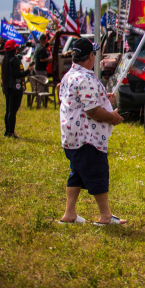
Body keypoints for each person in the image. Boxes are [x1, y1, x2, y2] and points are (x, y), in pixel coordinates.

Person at [58, 38, 125, 225]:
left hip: (72, 137)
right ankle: (105, 216)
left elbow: (81, 102)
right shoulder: (85, 78)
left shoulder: (69, 76)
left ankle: (69, 214)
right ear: (90, 56)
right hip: (87, 138)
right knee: (97, 173)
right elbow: (92, 110)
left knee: (77, 173)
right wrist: (112, 117)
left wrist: (103, 97)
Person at [1, 40, 31, 137]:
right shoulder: (14, 60)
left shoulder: (5, 59)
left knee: (8, 110)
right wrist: (28, 71)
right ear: (14, 49)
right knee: (13, 111)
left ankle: (7, 131)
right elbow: (17, 75)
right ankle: (11, 132)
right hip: (15, 88)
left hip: (7, 87)